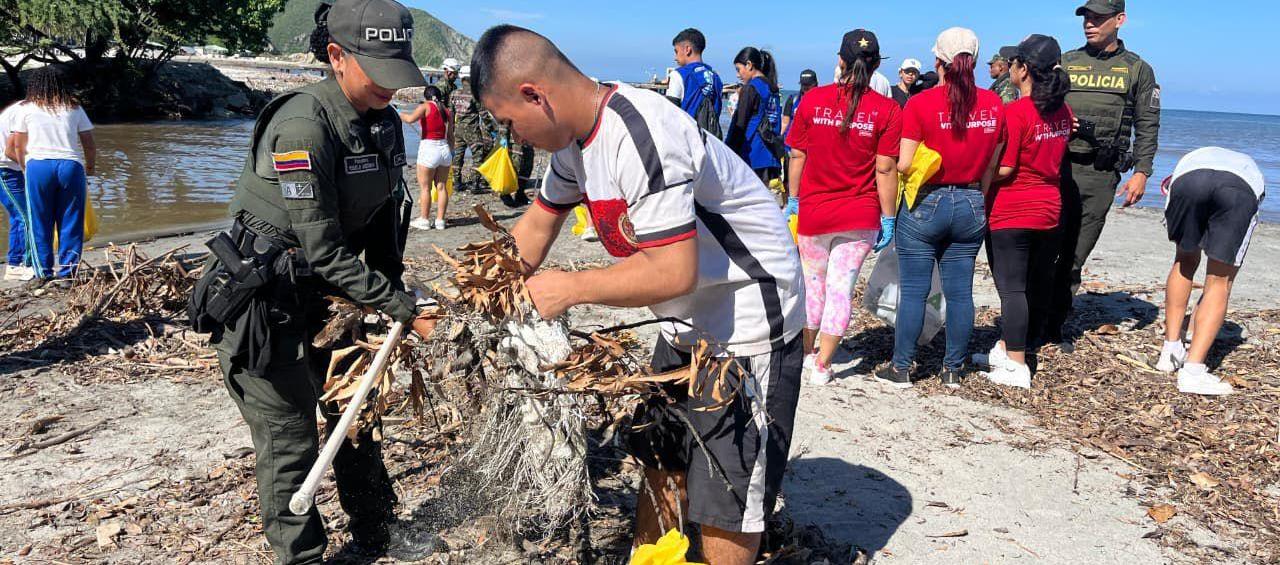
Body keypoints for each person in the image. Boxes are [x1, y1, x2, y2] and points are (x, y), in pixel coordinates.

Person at [470, 25, 804, 565]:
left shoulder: (640, 132)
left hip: (745, 314)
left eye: (510, 122)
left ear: (536, 94)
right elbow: (534, 230)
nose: (514, 137)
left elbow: (673, 271)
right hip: (682, 322)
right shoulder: (573, 145)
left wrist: (569, 290)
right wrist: (479, 296)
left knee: (727, 493)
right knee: (661, 455)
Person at [192, 1, 439, 561]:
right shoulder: (304, 124)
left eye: (397, 71)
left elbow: (380, 221)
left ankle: (378, 528)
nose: (390, 87)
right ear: (337, 57)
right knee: (289, 440)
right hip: (263, 303)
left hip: (334, 299)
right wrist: (402, 307)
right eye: (378, 72)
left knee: (354, 416)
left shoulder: (380, 124)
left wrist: (392, 292)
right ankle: (301, 556)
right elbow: (321, 248)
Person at [880, 27, 1005, 389]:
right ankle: (953, 368)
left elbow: (903, 164)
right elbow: (992, 165)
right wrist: (977, 195)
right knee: (961, 291)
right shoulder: (994, 104)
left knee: (915, 289)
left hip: (928, 201)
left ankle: (902, 367)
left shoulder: (921, 103)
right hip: (970, 201)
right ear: (976, 62)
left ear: (938, 62)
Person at [785, 29, 901, 386]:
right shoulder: (888, 109)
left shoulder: (813, 100)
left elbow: (797, 154)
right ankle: (822, 365)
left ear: (839, 61)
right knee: (839, 288)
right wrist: (889, 216)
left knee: (812, 286)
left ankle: (805, 353)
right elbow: (885, 168)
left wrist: (793, 199)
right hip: (859, 215)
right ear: (878, 64)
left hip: (815, 213)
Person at [1047, 0, 1160, 347]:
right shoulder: (1065, 62)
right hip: (1056, 167)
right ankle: (1031, 321)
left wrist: (1142, 171)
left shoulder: (1137, 69)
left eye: (1098, 18)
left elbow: (1148, 123)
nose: (1089, 24)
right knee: (1044, 247)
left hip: (1099, 173)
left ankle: (1053, 325)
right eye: (1086, 18)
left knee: (1074, 254)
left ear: (1120, 20)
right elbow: (1038, 106)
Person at [975, 35, 1073, 389]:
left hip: (1013, 210)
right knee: (1032, 284)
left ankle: (1017, 363)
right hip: (1049, 209)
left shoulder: (1015, 112)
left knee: (1012, 289)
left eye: (1014, 63)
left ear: (1023, 70)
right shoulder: (1063, 110)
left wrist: (978, 172)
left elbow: (1005, 168)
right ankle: (1009, 346)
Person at [1156, 147, 1264, 396]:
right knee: (1219, 281)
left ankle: (1170, 350)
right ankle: (1193, 370)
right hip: (1239, 188)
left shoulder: (1192, 159)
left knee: (1183, 260)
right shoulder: (1250, 168)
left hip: (1188, 180)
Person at [7, 66, 95, 289]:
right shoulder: (74, 107)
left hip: (39, 166)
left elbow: (17, 144)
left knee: (40, 222)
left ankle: (43, 273)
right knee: (71, 221)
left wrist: (25, 166)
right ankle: (67, 274)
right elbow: (88, 142)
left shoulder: (26, 108)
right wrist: (90, 167)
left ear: (34, 85)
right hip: (71, 165)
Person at [726, 47, 783, 183]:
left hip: (752, 154)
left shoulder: (751, 89)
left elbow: (739, 124)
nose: (738, 75)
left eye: (738, 70)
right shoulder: (773, 89)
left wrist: (727, 151)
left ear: (749, 65)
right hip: (770, 155)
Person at [399, 85, 452, 230]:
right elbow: (451, 136)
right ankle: (440, 220)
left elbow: (409, 119)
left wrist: (398, 112)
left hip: (429, 149)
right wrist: (451, 152)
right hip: (444, 149)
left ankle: (424, 219)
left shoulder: (425, 106)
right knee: (441, 187)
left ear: (426, 96)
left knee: (425, 188)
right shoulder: (447, 111)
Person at [666, 28, 725, 138]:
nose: (675, 57)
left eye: (676, 51)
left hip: (688, 141)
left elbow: (670, 115)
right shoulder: (716, 78)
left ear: (687, 49)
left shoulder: (679, 75)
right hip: (712, 143)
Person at [0, 100, 32, 281]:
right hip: (5, 170)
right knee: (26, 217)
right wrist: (32, 167)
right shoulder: (24, 111)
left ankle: (14, 264)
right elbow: (10, 151)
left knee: (17, 216)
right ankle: (27, 264)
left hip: (11, 169)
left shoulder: (22, 108)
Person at [449, 74, 498, 193]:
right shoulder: (475, 94)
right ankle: (475, 184)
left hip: (458, 130)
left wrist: (451, 129)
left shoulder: (454, 94)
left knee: (457, 156)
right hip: (472, 131)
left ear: (461, 78)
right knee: (478, 156)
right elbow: (484, 114)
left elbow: (450, 112)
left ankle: (456, 182)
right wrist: (493, 129)